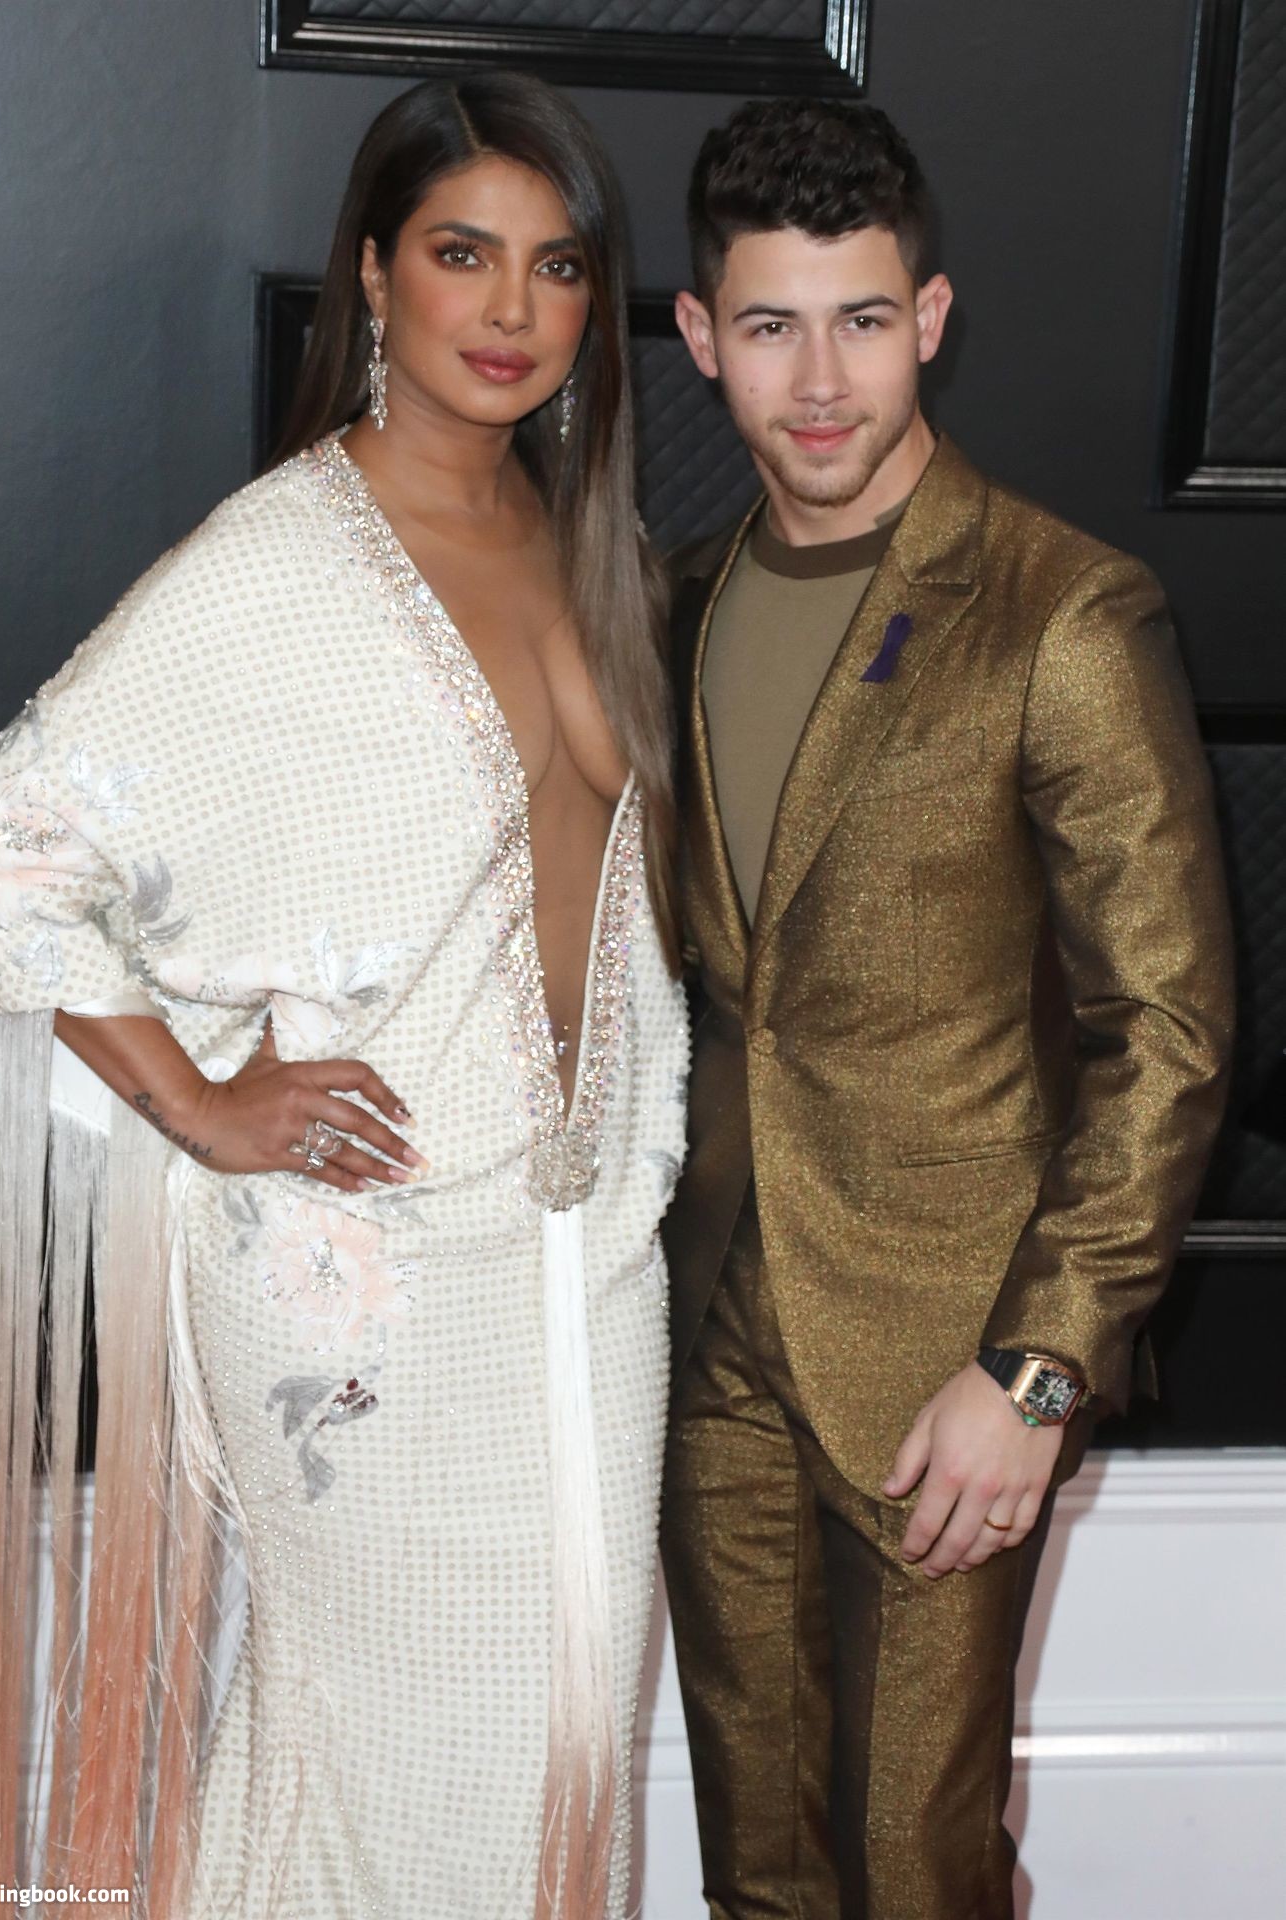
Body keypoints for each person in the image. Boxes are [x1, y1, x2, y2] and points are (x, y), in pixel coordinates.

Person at [0, 72, 687, 1920]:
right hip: (370, 1276)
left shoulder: (588, 547)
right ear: (373, 274)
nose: (510, 309)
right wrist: (194, 1100)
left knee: (566, 1761)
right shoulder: (279, 564)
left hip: (591, 1264)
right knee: (392, 1773)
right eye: (461, 254)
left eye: (556, 266)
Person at [658, 96, 1233, 1920]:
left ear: (931, 316)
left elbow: (1171, 1032)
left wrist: (1036, 1372)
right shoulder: (671, 605)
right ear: (701, 336)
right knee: (759, 1871)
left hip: (949, 1356)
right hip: (707, 1333)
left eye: (861, 320)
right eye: (771, 325)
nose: (819, 380)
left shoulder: (1064, 611)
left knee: (917, 1874)